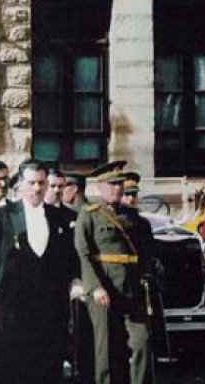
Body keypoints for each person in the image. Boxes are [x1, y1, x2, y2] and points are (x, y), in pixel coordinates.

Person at [0, 160, 79, 384]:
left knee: (49, 367)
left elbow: (69, 259)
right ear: (20, 185)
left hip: (51, 311)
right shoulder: (3, 215)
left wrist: (75, 281)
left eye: (41, 183)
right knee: (15, 368)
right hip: (13, 310)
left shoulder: (59, 217)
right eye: (31, 183)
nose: (37, 188)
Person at [75, 162, 155, 384]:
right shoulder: (89, 215)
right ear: (101, 187)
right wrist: (95, 287)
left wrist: (145, 278)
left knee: (142, 341)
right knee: (106, 347)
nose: (118, 188)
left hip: (132, 288)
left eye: (120, 183)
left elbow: (146, 252)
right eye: (112, 184)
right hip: (105, 288)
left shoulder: (135, 218)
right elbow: (84, 255)